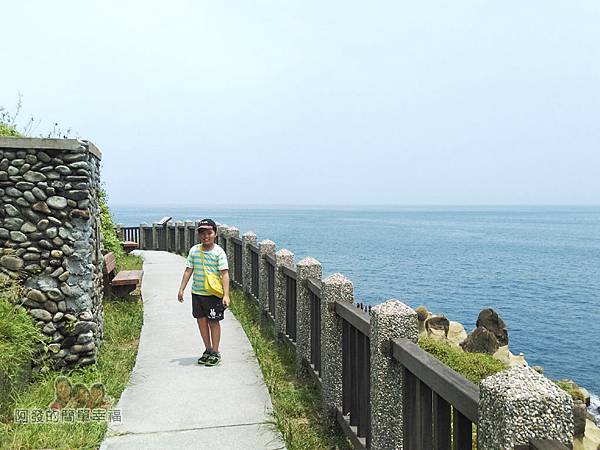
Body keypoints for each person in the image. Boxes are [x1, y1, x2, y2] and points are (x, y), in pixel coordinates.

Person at [177, 218, 230, 366]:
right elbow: (188, 270)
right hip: (197, 293)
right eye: (202, 233)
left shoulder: (219, 252)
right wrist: (181, 289)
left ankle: (215, 351)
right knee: (201, 322)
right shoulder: (194, 250)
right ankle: (207, 349)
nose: (206, 236)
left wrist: (226, 295)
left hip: (213, 295)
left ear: (215, 234)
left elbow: (224, 274)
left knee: (213, 322)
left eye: (209, 233)